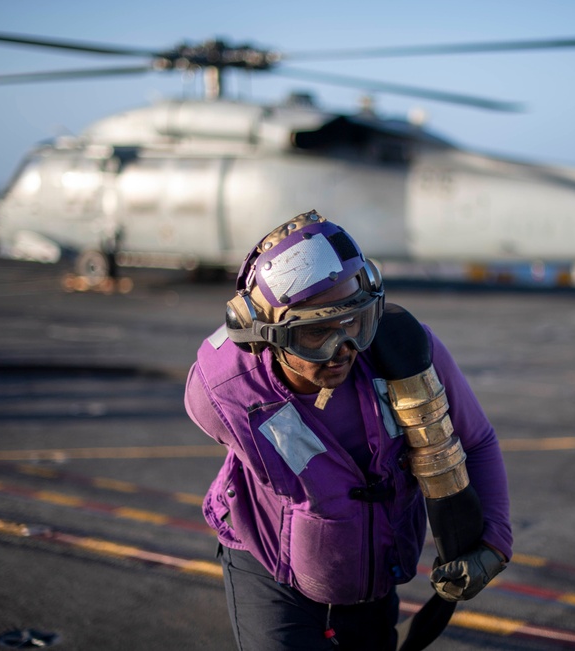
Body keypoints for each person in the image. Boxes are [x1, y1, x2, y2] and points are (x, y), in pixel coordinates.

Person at [184, 211, 512, 650]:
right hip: (269, 570)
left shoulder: (407, 353)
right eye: (314, 335)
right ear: (265, 335)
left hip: (373, 572)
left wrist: (494, 542)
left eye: (355, 324)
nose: (341, 351)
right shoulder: (222, 391)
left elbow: (476, 441)